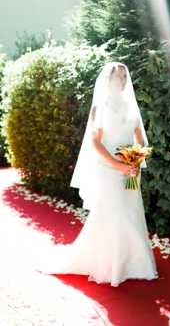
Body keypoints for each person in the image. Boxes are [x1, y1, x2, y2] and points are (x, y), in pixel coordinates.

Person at [36, 62, 158, 286]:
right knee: (114, 214)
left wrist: (135, 161)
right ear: (107, 80)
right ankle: (112, 266)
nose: (120, 81)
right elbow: (95, 143)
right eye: (117, 77)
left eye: (123, 77)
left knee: (132, 213)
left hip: (130, 169)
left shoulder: (131, 107)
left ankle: (135, 263)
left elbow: (140, 139)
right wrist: (118, 164)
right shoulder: (99, 108)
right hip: (108, 170)